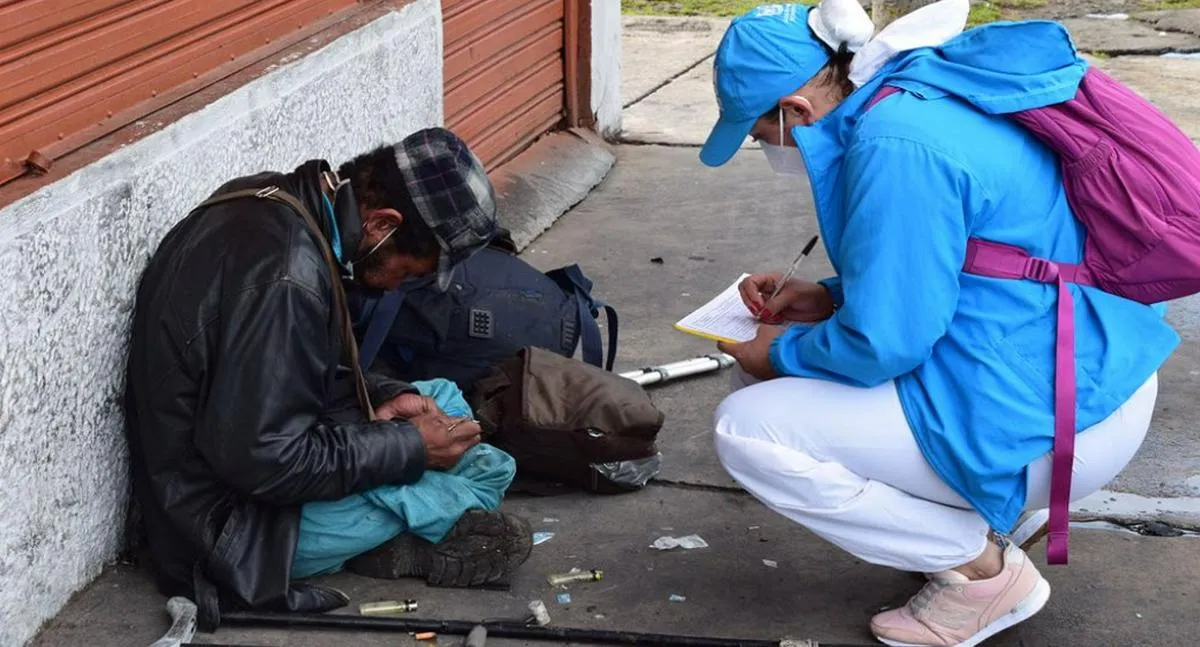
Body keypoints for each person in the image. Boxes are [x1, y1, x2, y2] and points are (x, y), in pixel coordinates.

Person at [700, 3, 1179, 646]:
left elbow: (887, 343)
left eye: (760, 135)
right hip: (1087, 371)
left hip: (1059, 423)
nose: (767, 150)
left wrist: (777, 357)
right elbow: (984, 256)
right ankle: (990, 518)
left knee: (749, 423)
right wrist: (830, 297)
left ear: (797, 109)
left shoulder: (892, 144)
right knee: (783, 390)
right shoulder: (922, 88)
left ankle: (982, 575)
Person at [123, 127, 532, 627]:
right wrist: (408, 449)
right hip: (222, 531)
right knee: (484, 468)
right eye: (406, 272)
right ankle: (398, 537)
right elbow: (265, 461)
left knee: (440, 398)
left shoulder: (278, 200)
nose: (397, 288)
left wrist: (381, 395)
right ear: (382, 224)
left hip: (230, 457)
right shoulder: (286, 280)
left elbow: (278, 367)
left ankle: (404, 517)